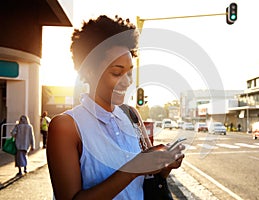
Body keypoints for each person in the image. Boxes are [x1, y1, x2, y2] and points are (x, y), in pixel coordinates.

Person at [46, 15, 185, 200]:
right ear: (88, 70)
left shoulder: (131, 115)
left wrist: (164, 165)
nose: (126, 82)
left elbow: (148, 179)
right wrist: (133, 168)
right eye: (116, 72)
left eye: (129, 73)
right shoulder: (66, 127)